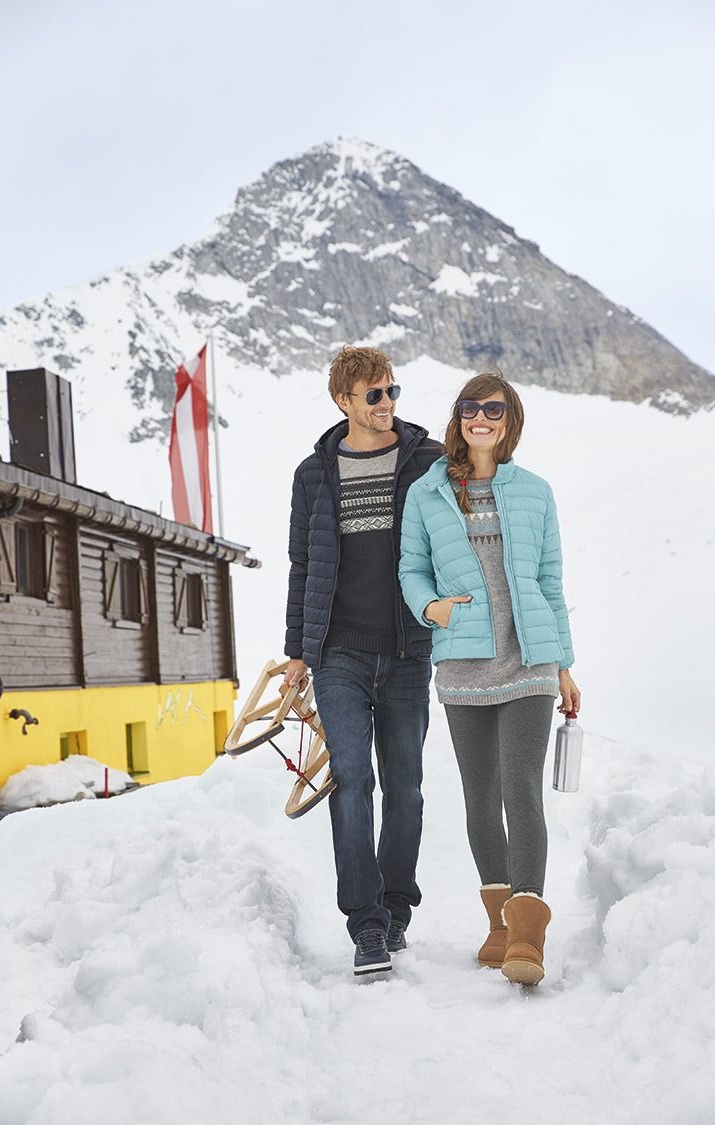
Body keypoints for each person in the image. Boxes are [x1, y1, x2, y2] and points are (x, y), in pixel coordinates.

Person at [398, 371, 580, 986]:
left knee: (520, 789)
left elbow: (549, 581)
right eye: (470, 408)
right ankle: (499, 925)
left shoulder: (535, 492)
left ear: (510, 421)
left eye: (494, 410)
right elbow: (411, 568)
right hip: (462, 661)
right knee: (480, 796)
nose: (481, 418)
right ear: (458, 418)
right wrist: (431, 608)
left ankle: (528, 934)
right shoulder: (426, 493)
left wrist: (564, 664)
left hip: (529, 661)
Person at [283, 345, 444, 976]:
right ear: (343, 401)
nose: (386, 404)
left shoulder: (427, 460)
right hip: (338, 654)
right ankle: (366, 925)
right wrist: (298, 651)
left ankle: (397, 907)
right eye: (373, 395)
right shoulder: (314, 474)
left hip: (407, 650)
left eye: (392, 391)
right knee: (352, 783)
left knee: (406, 788)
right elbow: (304, 565)